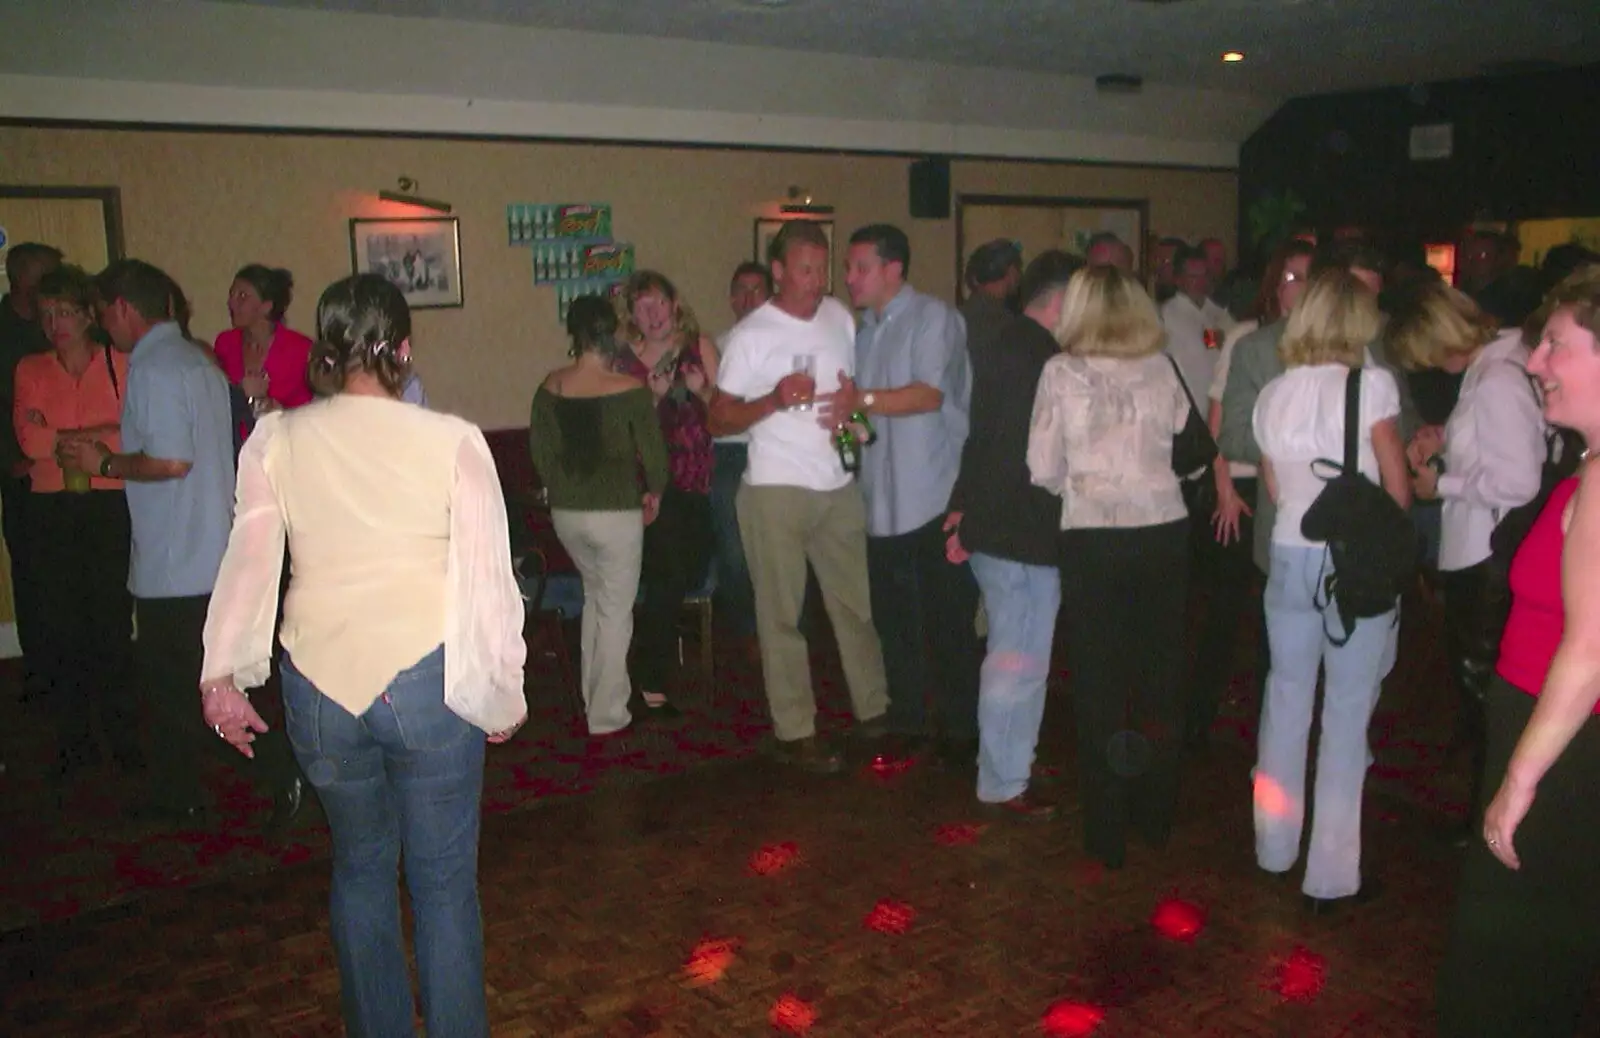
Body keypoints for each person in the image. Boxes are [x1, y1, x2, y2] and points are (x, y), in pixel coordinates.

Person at [198, 273, 527, 1038]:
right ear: (403, 351)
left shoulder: (277, 436)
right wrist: (499, 685)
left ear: (325, 351)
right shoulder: (452, 439)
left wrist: (222, 675)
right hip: (426, 681)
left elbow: (249, 556)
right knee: (443, 886)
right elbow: (487, 573)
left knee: (358, 868)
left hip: (317, 687)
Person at [59, 259, 302, 828]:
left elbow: (172, 459)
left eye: (101, 314)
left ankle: (269, 769)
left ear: (122, 307)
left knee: (180, 687)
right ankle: (190, 786)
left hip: (177, 557)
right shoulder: (197, 359)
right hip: (207, 547)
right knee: (196, 682)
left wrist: (106, 463)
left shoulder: (158, 367)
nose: (102, 327)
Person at [1435, 267, 1600, 1037]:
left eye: (1556, 348)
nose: (1536, 364)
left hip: (1559, 748)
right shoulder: (1587, 464)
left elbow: (1591, 647)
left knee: (1510, 967)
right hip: (1554, 735)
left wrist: (1518, 784)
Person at [1250, 269, 1411, 911]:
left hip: (1288, 556)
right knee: (1346, 714)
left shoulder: (1273, 393)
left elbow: (1274, 488)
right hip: (1351, 566)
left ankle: (1273, 846)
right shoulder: (1370, 386)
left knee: (1285, 702)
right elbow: (1397, 490)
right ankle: (1330, 876)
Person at [711, 220, 890, 773]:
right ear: (780, 272)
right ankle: (797, 733)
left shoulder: (841, 317)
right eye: (805, 270)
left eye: (823, 268)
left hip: (836, 483)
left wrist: (854, 415)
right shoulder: (753, 335)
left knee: (856, 607)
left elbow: (852, 394)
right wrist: (772, 400)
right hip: (775, 490)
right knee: (782, 617)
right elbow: (718, 419)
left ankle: (876, 712)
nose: (817, 281)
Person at [1027, 266, 1191, 869]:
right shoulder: (1162, 368)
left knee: (1100, 684)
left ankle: (1107, 832)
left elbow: (1041, 468)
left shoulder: (1060, 373)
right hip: (1164, 532)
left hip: (1095, 535)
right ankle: (1155, 816)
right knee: (1158, 678)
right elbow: (1183, 441)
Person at [1388, 283, 1544, 833]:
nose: (1428, 366)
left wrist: (1442, 483)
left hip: (1488, 557)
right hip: (1485, 552)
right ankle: (1490, 805)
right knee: (1482, 693)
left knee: (1483, 693)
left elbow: (1519, 480)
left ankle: (1493, 814)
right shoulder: (1497, 364)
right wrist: (1448, 442)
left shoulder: (1498, 378)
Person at [832, 223, 979, 764]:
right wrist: (848, 427)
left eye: (860, 267)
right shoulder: (863, 332)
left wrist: (859, 401)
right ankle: (910, 721)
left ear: (893, 269)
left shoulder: (933, 317)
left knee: (948, 622)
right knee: (894, 621)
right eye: (849, 268)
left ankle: (963, 730)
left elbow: (927, 394)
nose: (849, 278)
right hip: (882, 499)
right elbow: (866, 416)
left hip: (935, 497)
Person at [946, 250, 1081, 819]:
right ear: (1061, 300)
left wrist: (963, 511)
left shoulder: (1012, 344)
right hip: (1018, 533)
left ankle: (1008, 764)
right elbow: (1006, 452)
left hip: (1003, 528)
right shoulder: (1038, 357)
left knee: (1016, 659)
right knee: (1019, 663)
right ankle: (1003, 780)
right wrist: (971, 524)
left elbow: (981, 439)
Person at [1187, 239, 1315, 747]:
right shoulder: (1246, 338)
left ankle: (1272, 725)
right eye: (1289, 277)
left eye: (1306, 278)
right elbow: (1217, 426)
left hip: (1293, 490)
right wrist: (1222, 489)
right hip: (1241, 483)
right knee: (1226, 608)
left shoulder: (1325, 344)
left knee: (1279, 614)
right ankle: (1198, 718)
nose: (1296, 288)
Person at [12, 265, 136, 780]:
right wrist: (93, 436)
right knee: (61, 626)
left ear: (89, 314)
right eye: (46, 314)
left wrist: (62, 433)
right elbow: (30, 441)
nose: (55, 323)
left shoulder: (121, 363)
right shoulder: (31, 368)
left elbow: (134, 435)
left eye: (64, 312)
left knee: (109, 623)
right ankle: (75, 740)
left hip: (109, 505)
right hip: (52, 509)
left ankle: (125, 737)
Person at [529, 295, 669, 736]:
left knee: (597, 598)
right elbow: (656, 459)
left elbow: (541, 455)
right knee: (616, 608)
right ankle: (608, 716)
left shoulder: (550, 386)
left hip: (568, 514)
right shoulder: (629, 391)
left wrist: (561, 487)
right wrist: (655, 492)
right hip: (616, 513)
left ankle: (594, 699)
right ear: (613, 333)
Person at [614, 271, 717, 717]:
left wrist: (702, 391)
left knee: (686, 573)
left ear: (675, 303)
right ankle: (650, 678)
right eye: (642, 306)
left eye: (658, 303)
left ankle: (642, 666)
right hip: (653, 484)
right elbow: (622, 429)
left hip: (699, 479)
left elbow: (727, 412)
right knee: (667, 576)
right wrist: (653, 401)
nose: (652, 314)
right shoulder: (627, 358)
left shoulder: (700, 346)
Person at [0, 241, 62, 697]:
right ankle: (41, 672)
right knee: (31, 573)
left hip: (66, 468)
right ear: (21, 280)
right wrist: (11, 461)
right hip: (19, 472)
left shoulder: (58, 328)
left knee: (70, 570)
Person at [710, 263, 771, 655]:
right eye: (741, 291)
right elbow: (715, 410)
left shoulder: (783, 342)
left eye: (757, 290)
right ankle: (746, 627)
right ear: (732, 297)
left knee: (777, 545)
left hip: (774, 451)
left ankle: (782, 628)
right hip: (730, 451)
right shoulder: (719, 344)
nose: (748, 299)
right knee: (732, 547)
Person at [211, 265, 315, 428]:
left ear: (267, 306)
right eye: (231, 295)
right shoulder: (225, 343)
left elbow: (314, 411)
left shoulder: (300, 349)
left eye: (242, 296)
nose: (231, 302)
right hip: (237, 448)